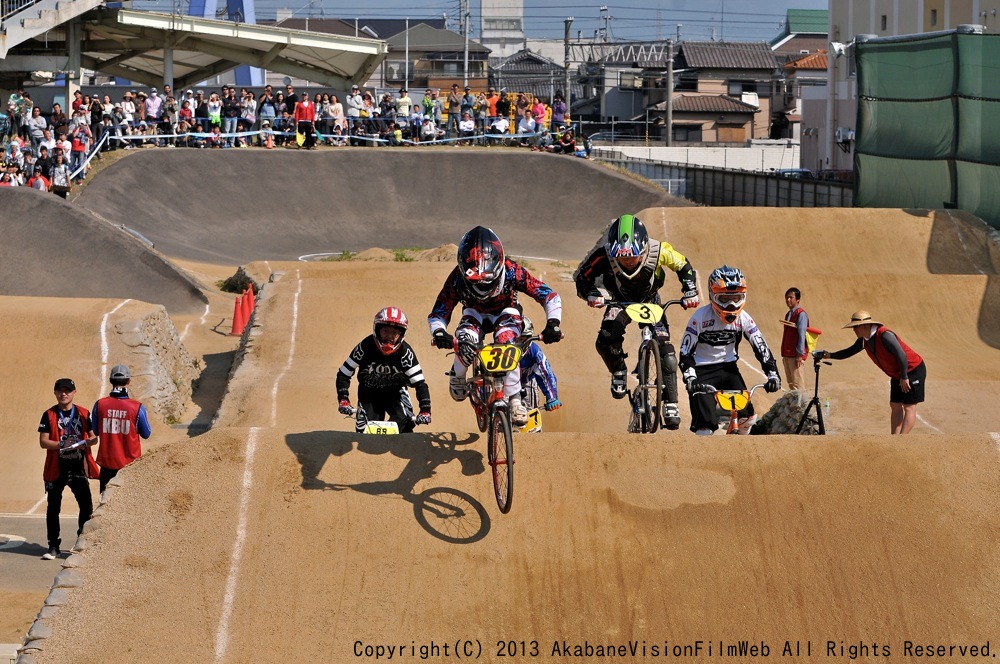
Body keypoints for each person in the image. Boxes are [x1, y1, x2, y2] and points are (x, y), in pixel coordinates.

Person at [574, 214, 700, 430]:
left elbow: (683, 266)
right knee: (605, 340)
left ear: (643, 249)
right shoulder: (603, 255)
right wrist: (592, 294)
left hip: (651, 300)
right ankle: (619, 371)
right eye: (623, 259)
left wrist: (690, 291)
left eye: (633, 257)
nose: (629, 262)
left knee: (667, 355)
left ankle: (671, 403)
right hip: (619, 301)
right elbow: (583, 277)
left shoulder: (659, 250)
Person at [428, 226, 563, 426]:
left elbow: (548, 295)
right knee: (466, 338)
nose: (483, 288)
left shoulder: (511, 271)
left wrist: (553, 323)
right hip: (474, 313)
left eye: (487, 283)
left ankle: (516, 399)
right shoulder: (457, 277)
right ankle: (458, 373)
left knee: (507, 341)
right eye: (477, 284)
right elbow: (440, 311)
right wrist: (439, 332)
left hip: (506, 312)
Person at [679, 265, 781, 435]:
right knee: (705, 426)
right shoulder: (700, 317)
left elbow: (760, 346)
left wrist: (772, 373)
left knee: (747, 418)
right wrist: (690, 376)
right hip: (702, 371)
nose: (732, 305)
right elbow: (685, 351)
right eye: (725, 299)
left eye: (736, 298)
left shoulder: (744, 318)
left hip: (729, 369)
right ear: (713, 296)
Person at [815, 310, 926, 434]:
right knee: (895, 405)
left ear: (865, 325)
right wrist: (829, 355)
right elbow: (848, 352)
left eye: (855, 327)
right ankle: (895, 439)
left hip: (912, 369)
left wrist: (905, 376)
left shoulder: (885, 335)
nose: (854, 330)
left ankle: (902, 440)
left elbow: (901, 355)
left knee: (909, 407)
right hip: (897, 374)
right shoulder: (864, 340)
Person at [337, 308, 432, 433]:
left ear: (401, 334)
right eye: (385, 331)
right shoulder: (365, 347)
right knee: (365, 431)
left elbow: (420, 384)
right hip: (369, 393)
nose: (389, 336)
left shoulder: (405, 353)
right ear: (377, 330)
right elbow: (343, 374)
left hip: (396, 393)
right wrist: (344, 400)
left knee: (405, 426)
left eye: (394, 333)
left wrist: (425, 410)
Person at [38, 378, 99, 560]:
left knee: (86, 505)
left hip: (78, 465)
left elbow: (94, 438)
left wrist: (83, 443)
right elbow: (43, 442)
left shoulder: (83, 413)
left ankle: (82, 542)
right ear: (55, 393)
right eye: (60, 390)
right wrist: (63, 444)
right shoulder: (48, 414)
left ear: (74, 393)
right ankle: (53, 546)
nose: (63, 394)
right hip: (56, 467)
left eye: (67, 390)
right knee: (53, 507)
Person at [91, 364, 152, 493]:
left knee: (105, 505)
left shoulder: (100, 405)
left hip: (107, 464)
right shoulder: (137, 407)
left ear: (110, 381)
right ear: (128, 381)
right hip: (129, 466)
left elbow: (95, 431)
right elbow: (147, 433)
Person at [515, 317, 562, 412]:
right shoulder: (497, 350)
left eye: (523, 339)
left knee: (529, 418)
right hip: (502, 385)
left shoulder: (534, 351)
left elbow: (546, 371)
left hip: (526, 383)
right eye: (517, 339)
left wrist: (552, 397)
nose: (520, 343)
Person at [780, 287, 810, 391]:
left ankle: (801, 406)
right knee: (791, 384)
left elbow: (802, 335)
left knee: (798, 385)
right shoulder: (788, 314)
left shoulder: (801, 314)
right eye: (787, 297)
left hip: (795, 355)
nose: (788, 300)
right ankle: (794, 407)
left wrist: (799, 354)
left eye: (791, 297)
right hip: (787, 354)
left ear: (797, 300)